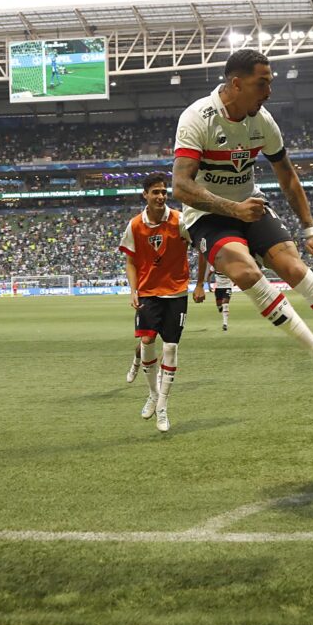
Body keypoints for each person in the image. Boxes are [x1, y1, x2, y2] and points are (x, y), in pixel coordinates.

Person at [171, 48, 313, 379]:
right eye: (262, 84)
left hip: (251, 203)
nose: (269, 91)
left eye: (270, 83)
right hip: (207, 214)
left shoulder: (263, 122)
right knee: (246, 274)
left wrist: (310, 229)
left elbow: (286, 174)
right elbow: (180, 186)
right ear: (236, 83)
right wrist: (233, 209)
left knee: (293, 267)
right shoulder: (196, 118)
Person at [119, 175, 207, 432]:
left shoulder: (180, 220)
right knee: (146, 342)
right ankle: (153, 394)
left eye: (164, 192)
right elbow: (131, 262)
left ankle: (163, 407)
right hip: (147, 293)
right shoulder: (134, 225)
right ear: (145, 194)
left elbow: (202, 249)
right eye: (155, 192)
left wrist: (200, 284)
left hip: (176, 293)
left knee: (170, 348)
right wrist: (133, 290)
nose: (161, 196)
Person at [210, 264, 233, 331]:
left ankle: (225, 324)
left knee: (225, 304)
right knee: (219, 305)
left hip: (227, 287)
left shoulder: (229, 266)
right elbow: (209, 275)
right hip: (218, 288)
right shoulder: (214, 265)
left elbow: (235, 274)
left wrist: (236, 281)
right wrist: (208, 285)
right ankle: (220, 308)